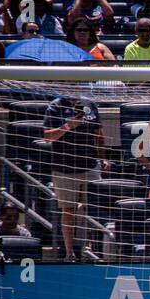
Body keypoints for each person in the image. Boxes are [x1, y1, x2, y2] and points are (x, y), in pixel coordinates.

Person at [42, 96, 106, 261]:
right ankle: (70, 253)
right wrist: (68, 125)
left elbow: (98, 133)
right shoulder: (55, 107)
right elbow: (47, 137)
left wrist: (103, 158)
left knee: (92, 209)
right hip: (65, 169)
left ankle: (92, 250)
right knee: (69, 210)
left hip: (90, 166)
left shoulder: (89, 104)